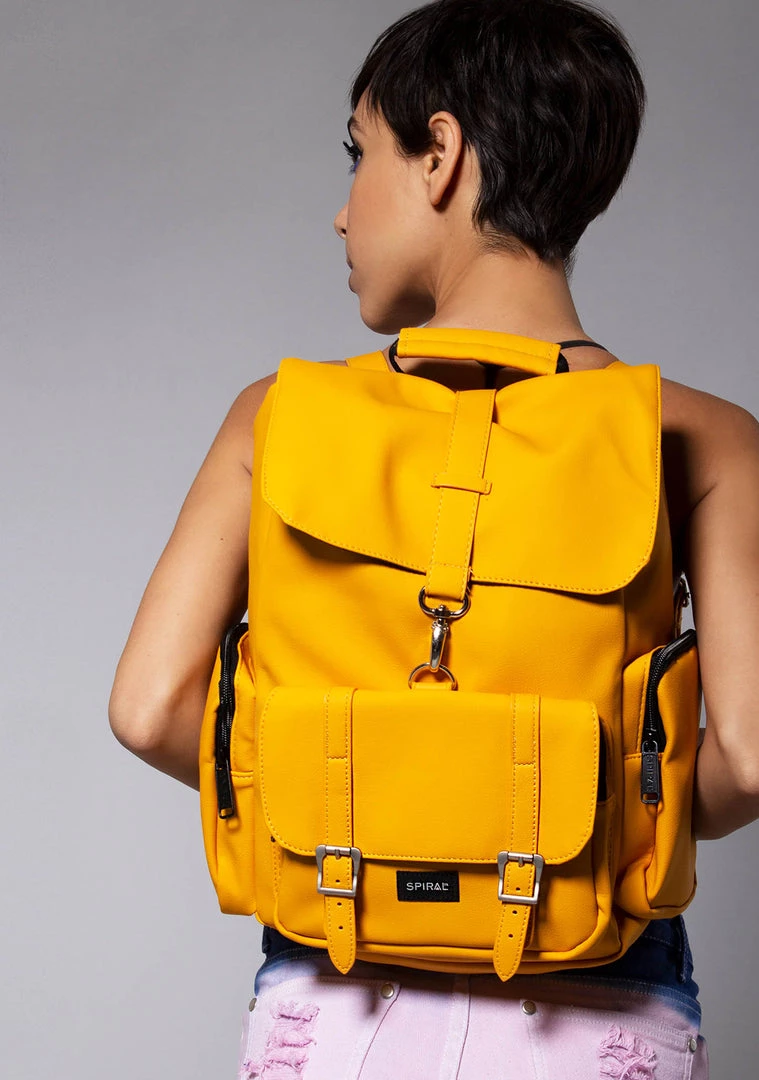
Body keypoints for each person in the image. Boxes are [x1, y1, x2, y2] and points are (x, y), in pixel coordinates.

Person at [109, 1, 759, 1076]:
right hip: (594, 988)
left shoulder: (272, 418)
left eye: (359, 153)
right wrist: (570, 811)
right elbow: (747, 755)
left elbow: (148, 708)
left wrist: (367, 795)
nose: (341, 213)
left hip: (336, 987)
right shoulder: (703, 436)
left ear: (440, 155)